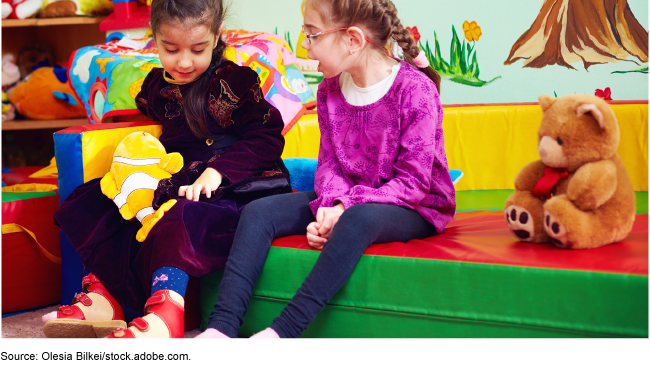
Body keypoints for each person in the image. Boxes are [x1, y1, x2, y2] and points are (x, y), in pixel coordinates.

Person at [195, 0, 456, 340]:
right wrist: (330, 206)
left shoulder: (415, 90)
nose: (304, 45)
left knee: (358, 218)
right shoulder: (329, 89)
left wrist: (344, 208)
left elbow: (414, 182)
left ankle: (282, 333)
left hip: (414, 205)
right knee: (259, 212)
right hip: (346, 199)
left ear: (353, 40)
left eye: (312, 35)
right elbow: (330, 166)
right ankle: (221, 328)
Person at [42, 0, 291, 340]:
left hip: (235, 187)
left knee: (178, 213)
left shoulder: (236, 81)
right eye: (171, 49)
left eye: (198, 49)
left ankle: (165, 313)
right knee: (100, 197)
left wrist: (217, 172)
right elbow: (146, 104)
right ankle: (104, 300)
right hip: (177, 180)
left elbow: (266, 136)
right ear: (154, 39)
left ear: (217, 38)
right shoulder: (157, 85)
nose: (184, 62)